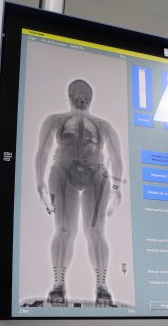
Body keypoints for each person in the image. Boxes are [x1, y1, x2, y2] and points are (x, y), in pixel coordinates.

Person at [34, 78, 125, 307]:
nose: (81, 98)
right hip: (63, 172)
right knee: (65, 230)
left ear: (91, 98)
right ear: (70, 95)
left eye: (84, 94)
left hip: (97, 175)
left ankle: (102, 285)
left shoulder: (103, 125)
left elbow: (116, 157)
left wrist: (116, 188)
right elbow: (42, 151)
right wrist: (40, 182)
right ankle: (58, 283)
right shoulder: (56, 120)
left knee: (95, 231)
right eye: (77, 94)